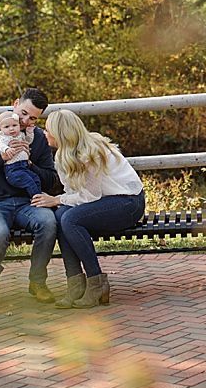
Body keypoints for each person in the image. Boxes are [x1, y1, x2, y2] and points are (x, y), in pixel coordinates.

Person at [29, 109, 145, 309]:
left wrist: (56, 199)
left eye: (48, 130)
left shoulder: (89, 153)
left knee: (70, 218)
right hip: (105, 201)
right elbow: (73, 191)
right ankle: (75, 284)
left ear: (61, 133)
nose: (45, 133)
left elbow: (90, 196)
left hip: (128, 202)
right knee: (61, 215)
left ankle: (96, 282)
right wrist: (59, 202)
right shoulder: (63, 154)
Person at [0, 88, 58, 307]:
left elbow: (51, 179)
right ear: (15, 104)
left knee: (48, 222)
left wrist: (30, 163)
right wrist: (1, 157)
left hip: (27, 202)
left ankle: (37, 282)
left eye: (33, 117)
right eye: (23, 113)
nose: (25, 121)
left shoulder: (38, 139)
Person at [0, 110, 41, 196]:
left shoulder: (20, 135)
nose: (11, 128)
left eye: (14, 125)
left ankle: (37, 196)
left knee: (35, 179)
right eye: (7, 127)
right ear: (0, 129)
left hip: (24, 166)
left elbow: (28, 141)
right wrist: (6, 149)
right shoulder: (4, 137)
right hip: (13, 169)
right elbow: (1, 145)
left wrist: (29, 132)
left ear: (19, 126)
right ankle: (36, 198)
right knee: (29, 182)